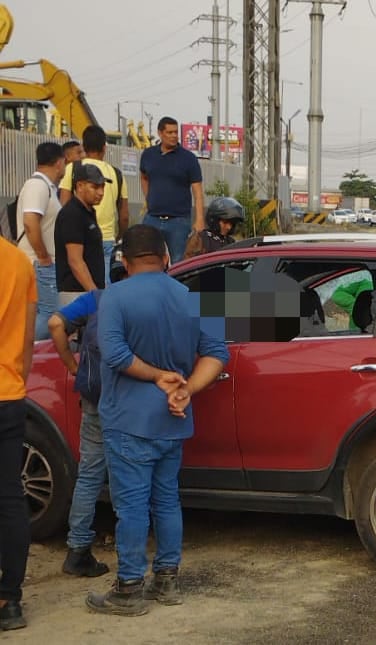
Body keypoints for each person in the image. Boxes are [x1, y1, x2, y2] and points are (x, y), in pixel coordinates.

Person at [86, 225, 229, 616]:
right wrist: (187, 390)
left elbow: (114, 354)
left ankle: (129, 587)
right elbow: (217, 354)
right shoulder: (196, 297)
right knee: (166, 500)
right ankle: (166, 581)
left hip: (128, 420)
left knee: (131, 506)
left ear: (125, 262)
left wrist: (155, 376)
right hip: (174, 420)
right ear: (166, 258)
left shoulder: (115, 295)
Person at [47, 249, 128, 579]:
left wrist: (72, 366)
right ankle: (130, 554)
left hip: (94, 397)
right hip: (126, 399)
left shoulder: (97, 298)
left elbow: (54, 323)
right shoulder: (143, 300)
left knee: (91, 473)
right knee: (126, 472)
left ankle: (78, 549)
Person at [0, 237, 37, 632]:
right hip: (8, 393)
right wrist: (17, 381)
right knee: (9, 496)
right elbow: (27, 338)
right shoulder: (18, 262)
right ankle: (9, 598)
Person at [59, 126, 129, 283]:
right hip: (107, 240)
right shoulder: (116, 174)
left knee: (77, 286)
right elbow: (124, 216)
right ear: (104, 147)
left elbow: (64, 205)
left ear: (83, 147)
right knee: (103, 290)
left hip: (77, 240)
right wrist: (119, 236)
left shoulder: (74, 168)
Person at [15, 141, 65, 340]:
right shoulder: (37, 186)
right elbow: (30, 223)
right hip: (39, 263)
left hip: (42, 262)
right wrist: (44, 257)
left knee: (42, 314)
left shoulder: (47, 187)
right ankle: (28, 352)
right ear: (59, 163)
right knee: (49, 316)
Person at [139, 116, 205, 263]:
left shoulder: (188, 159)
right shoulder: (148, 155)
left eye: (176, 132)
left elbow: (198, 191)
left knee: (179, 262)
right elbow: (143, 176)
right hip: (152, 218)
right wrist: (148, 197)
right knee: (148, 259)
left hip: (179, 222)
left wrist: (200, 218)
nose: (174, 136)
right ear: (160, 133)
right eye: (169, 132)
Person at [54, 163, 109, 306]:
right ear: (79, 186)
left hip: (88, 292)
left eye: (103, 187)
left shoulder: (88, 213)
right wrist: (95, 294)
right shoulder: (72, 214)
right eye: (95, 187)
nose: (101, 192)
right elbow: (75, 261)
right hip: (76, 293)